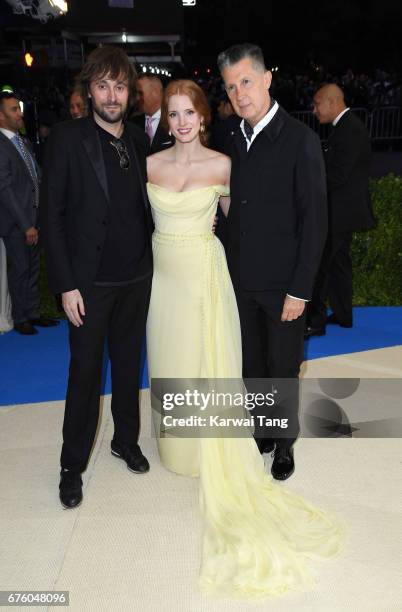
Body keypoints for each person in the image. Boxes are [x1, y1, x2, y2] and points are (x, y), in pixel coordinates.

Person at [146, 78, 342, 598]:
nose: (183, 121)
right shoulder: (151, 165)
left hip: (226, 276)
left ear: (205, 116)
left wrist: (292, 282)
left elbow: (257, 217)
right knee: (185, 355)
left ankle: (281, 443)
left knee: (254, 360)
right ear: (166, 119)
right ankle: (193, 438)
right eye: (174, 113)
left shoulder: (232, 160)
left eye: (191, 111)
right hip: (168, 281)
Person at [40, 46, 153, 509]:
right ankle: (71, 465)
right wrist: (66, 284)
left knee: (129, 368)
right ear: (90, 90)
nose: (112, 95)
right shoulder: (67, 139)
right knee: (84, 375)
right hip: (88, 285)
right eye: (103, 85)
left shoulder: (139, 142)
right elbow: (52, 217)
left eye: (120, 86)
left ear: (130, 93)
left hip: (137, 278)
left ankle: (125, 440)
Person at [217, 43, 328, 477]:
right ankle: (263, 430)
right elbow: (232, 206)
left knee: (282, 367)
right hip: (241, 280)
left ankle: (284, 443)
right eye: (230, 87)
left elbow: (315, 222)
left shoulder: (301, 140)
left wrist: (301, 289)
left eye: (246, 81)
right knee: (253, 365)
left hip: (284, 285)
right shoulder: (230, 137)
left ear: (266, 79)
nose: (239, 93)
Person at [305, 83, 375, 336]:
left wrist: (310, 185)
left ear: (332, 102)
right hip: (343, 211)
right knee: (339, 264)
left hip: (340, 213)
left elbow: (338, 174)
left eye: (317, 104)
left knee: (322, 265)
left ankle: (315, 321)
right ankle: (344, 314)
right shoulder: (346, 128)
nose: (314, 110)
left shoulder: (349, 130)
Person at [0, 91, 59, 335]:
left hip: (34, 218)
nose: (20, 113)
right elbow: (6, 190)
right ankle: (21, 316)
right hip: (17, 223)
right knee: (21, 269)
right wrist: (26, 225)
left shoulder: (23, 142)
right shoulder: (2, 146)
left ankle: (33, 312)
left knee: (34, 268)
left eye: (18, 108)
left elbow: (36, 177)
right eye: (14, 110)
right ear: (1, 116)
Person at [133, 74, 173, 153]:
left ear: (155, 93)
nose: (137, 98)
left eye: (140, 93)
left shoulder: (174, 122)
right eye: (136, 93)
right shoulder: (132, 123)